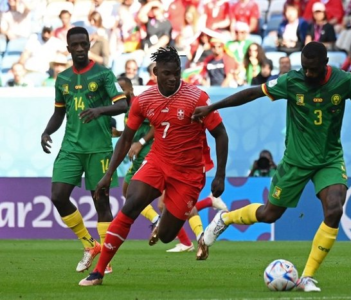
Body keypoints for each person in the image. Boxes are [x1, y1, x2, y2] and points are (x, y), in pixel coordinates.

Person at [192, 42, 351, 292]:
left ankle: (307, 277)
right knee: (270, 214)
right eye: (304, 68)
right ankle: (225, 219)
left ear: (325, 64)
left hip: (329, 159)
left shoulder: (344, 81)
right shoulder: (292, 81)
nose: (307, 74)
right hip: (295, 162)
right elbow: (251, 93)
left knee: (334, 210)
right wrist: (213, 107)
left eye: (312, 69)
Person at [79, 47, 229, 286]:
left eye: (176, 73)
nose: (172, 78)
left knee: (168, 236)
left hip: (189, 172)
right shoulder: (144, 100)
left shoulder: (196, 98)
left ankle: (166, 218)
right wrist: (108, 175)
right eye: (167, 73)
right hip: (158, 161)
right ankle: (98, 271)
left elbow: (221, 134)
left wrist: (220, 175)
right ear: (155, 72)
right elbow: (126, 138)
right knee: (132, 203)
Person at [40, 26, 127, 274]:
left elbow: (122, 104)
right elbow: (59, 112)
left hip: (98, 147)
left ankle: (105, 259)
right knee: (57, 196)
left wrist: (99, 110)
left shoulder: (103, 75)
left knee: (101, 201)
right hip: (71, 146)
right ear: (68, 49)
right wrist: (47, 131)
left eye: (83, 44)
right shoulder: (63, 78)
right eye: (74, 45)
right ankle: (89, 245)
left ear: (89, 45)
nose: (79, 48)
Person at [116, 76, 228, 254]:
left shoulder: (146, 101)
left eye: (122, 89)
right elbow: (140, 128)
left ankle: (194, 237)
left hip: (160, 156)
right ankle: (191, 228)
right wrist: (120, 133)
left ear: (130, 90)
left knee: (165, 204)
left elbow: (157, 127)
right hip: (142, 158)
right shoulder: (130, 108)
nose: (119, 93)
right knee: (130, 193)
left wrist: (141, 143)